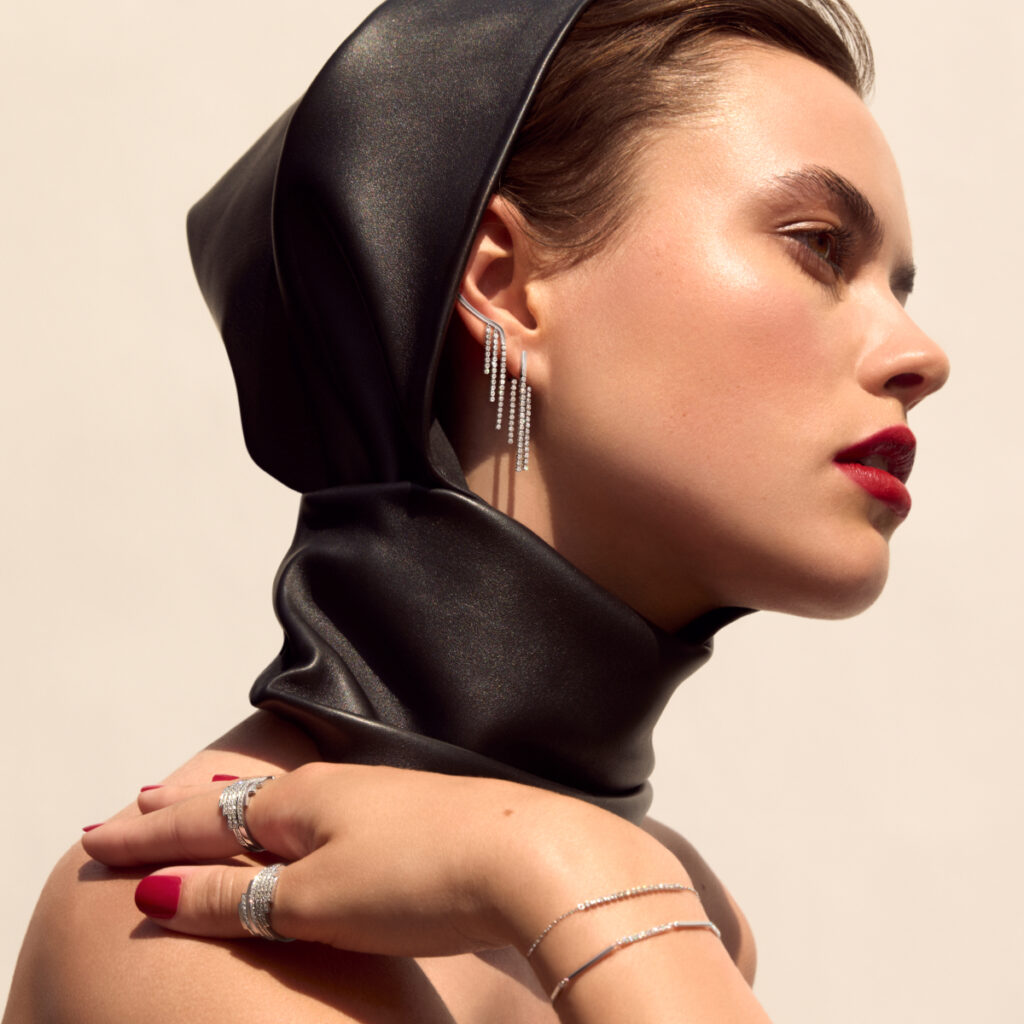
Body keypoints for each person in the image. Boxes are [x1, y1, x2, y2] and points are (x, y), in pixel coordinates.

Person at [3, 0, 948, 1021]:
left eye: (898, 288)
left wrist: (571, 871)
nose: (922, 355)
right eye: (819, 246)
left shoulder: (652, 907)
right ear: (505, 283)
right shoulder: (196, 932)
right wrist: (582, 875)